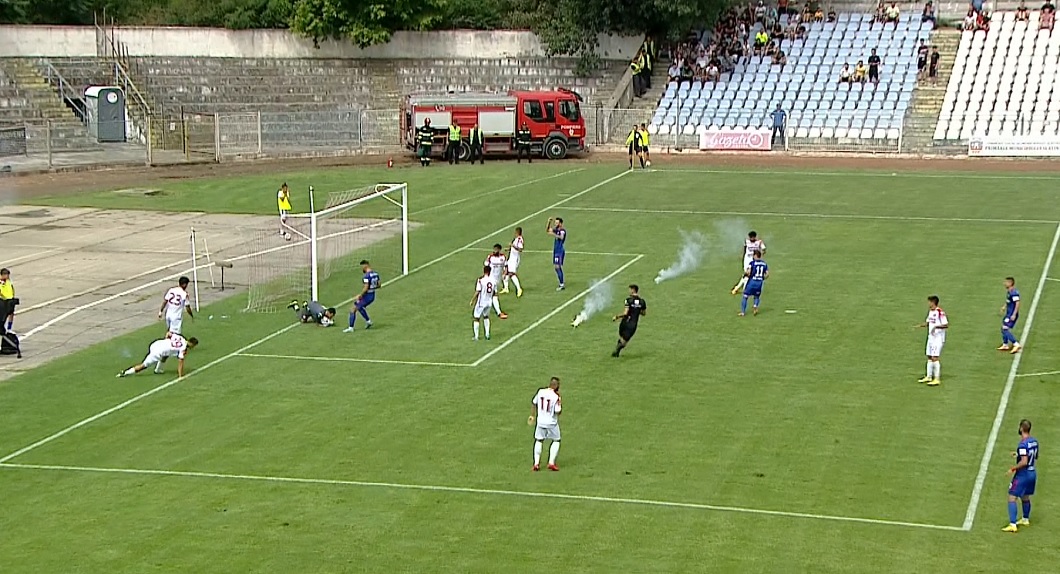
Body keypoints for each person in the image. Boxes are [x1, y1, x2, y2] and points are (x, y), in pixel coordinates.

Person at [1003, 419, 1039, 532]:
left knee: (1012, 497)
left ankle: (1013, 524)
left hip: (1023, 474)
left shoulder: (1023, 444)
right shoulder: (1034, 441)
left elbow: (1024, 462)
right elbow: (1034, 456)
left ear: (1021, 428)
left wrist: (1013, 469)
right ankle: (1025, 519)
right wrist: (1018, 454)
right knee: (1025, 496)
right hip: (1032, 473)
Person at [117, 334, 198, 378]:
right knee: (144, 366)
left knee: (166, 355)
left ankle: (158, 370)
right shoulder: (183, 349)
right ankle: (125, 373)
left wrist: (166, 342)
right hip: (157, 352)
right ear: (192, 344)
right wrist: (181, 376)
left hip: (157, 344)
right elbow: (180, 362)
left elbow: (168, 334)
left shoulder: (181, 337)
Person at [529, 377, 562, 471]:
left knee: (539, 440)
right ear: (555, 385)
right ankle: (551, 462)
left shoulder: (540, 392)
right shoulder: (556, 396)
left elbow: (534, 403)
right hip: (551, 423)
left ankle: (536, 464)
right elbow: (557, 411)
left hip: (540, 422)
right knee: (556, 440)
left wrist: (532, 415)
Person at [916, 295, 948, 386]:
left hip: (938, 338)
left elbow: (946, 324)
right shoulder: (931, 311)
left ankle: (937, 378)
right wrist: (921, 325)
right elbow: (929, 322)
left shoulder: (940, 312)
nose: (928, 303)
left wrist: (936, 327)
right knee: (929, 356)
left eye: (929, 302)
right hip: (931, 338)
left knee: (935, 357)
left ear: (933, 302)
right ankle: (929, 376)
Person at [611, 284, 647, 357]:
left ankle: (616, 352)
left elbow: (625, 313)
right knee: (624, 340)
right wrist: (636, 310)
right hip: (633, 324)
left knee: (622, 337)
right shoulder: (642, 302)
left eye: (630, 290)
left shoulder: (628, 300)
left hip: (625, 322)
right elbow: (643, 313)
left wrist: (617, 317)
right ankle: (616, 351)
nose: (629, 291)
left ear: (633, 290)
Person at [344, 260, 379, 333]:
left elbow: (366, 287)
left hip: (367, 296)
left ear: (365, 265)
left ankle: (351, 328)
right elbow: (379, 285)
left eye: (362, 267)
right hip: (372, 295)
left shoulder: (366, 276)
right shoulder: (375, 274)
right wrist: (372, 287)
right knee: (359, 307)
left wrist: (360, 295)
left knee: (353, 309)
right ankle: (368, 321)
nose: (362, 269)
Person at [739, 251, 769, 316]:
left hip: (752, 282)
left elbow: (748, 272)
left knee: (745, 296)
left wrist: (745, 274)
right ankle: (755, 305)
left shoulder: (752, 263)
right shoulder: (764, 264)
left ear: (755, 256)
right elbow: (767, 274)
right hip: (759, 282)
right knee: (757, 296)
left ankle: (743, 312)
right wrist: (762, 278)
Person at [470, 265, 495, 341]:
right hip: (489, 302)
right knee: (486, 317)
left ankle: (476, 336)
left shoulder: (481, 280)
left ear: (484, 271)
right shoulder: (493, 280)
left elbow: (478, 291)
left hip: (481, 302)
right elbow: (494, 292)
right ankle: (487, 334)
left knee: (476, 318)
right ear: (490, 272)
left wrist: (472, 300)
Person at [484, 244, 509, 319]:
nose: (494, 251)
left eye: (496, 249)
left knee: (489, 295)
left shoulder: (503, 257)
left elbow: (506, 266)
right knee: (494, 295)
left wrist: (504, 273)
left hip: (497, 280)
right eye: (494, 249)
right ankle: (499, 313)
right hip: (491, 279)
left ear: (499, 250)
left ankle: (482, 307)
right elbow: (486, 267)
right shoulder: (490, 257)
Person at [998, 277, 1022, 353]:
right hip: (1009, 313)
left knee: (1005, 328)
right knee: (1003, 328)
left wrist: (1014, 314)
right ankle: (1005, 345)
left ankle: (1016, 344)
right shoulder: (1009, 291)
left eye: (1006, 282)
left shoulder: (1014, 292)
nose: (1004, 283)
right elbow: (1008, 300)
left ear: (1010, 283)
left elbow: (1017, 303)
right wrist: (1004, 306)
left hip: (1011, 314)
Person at [501, 227, 524, 297]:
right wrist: (508, 249)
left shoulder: (520, 239)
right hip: (511, 258)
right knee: (505, 272)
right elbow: (514, 248)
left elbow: (520, 249)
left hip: (515, 259)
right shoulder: (516, 239)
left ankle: (519, 289)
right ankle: (506, 288)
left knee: (511, 274)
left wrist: (512, 245)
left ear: (517, 232)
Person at [547, 217, 566, 291]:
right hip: (556, 251)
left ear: (560, 223)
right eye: (555, 222)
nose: (556, 224)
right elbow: (548, 230)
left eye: (557, 223)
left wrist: (554, 234)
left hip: (560, 251)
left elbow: (561, 237)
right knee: (556, 267)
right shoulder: (556, 230)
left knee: (557, 267)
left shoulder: (562, 231)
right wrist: (548, 222)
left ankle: (562, 284)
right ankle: (561, 282)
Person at [0, 267, 14, 332]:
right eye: (6, 275)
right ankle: (2, 327)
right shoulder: (1, 283)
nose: (7, 276)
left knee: (11, 313)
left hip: (10, 299)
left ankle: (9, 328)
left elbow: (11, 289)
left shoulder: (8, 282)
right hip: (3, 300)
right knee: (3, 315)